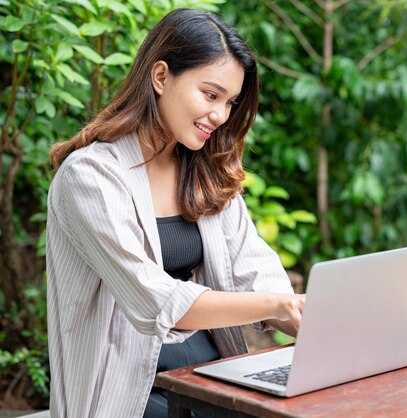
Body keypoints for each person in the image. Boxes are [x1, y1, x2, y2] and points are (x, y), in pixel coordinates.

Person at [46, 9, 305, 418]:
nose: (221, 115)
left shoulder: (205, 171)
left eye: (230, 102)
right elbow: (155, 299)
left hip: (207, 374)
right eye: (210, 94)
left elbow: (253, 268)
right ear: (161, 76)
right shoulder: (90, 176)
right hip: (126, 389)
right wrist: (276, 305)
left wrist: (309, 317)